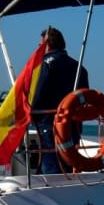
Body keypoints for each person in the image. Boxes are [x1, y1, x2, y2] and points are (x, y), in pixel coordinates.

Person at [32, 27, 89, 174]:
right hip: (73, 124)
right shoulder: (79, 68)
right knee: (68, 161)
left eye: (40, 46)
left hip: (50, 123)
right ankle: (68, 191)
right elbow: (84, 98)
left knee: (51, 162)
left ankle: (52, 190)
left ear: (47, 45)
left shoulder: (46, 65)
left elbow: (38, 94)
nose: (38, 49)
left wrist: (32, 115)